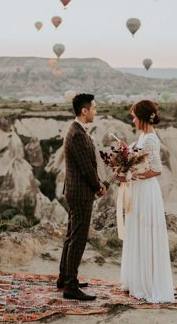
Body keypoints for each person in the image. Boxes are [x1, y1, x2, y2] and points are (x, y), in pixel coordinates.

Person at [119, 99, 175, 303]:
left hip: (146, 191)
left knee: (145, 232)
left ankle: (148, 284)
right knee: (137, 231)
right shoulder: (143, 136)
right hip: (138, 190)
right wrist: (127, 156)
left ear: (142, 118)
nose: (132, 120)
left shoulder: (151, 139)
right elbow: (139, 160)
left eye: (134, 116)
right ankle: (137, 280)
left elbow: (157, 169)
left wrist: (133, 174)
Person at [57, 93, 106, 300]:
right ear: (84, 111)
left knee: (71, 237)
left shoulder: (78, 130)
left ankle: (64, 279)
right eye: (94, 108)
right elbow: (86, 168)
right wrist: (98, 187)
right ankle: (70, 286)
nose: (96, 111)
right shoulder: (77, 134)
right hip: (80, 193)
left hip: (77, 191)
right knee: (78, 239)